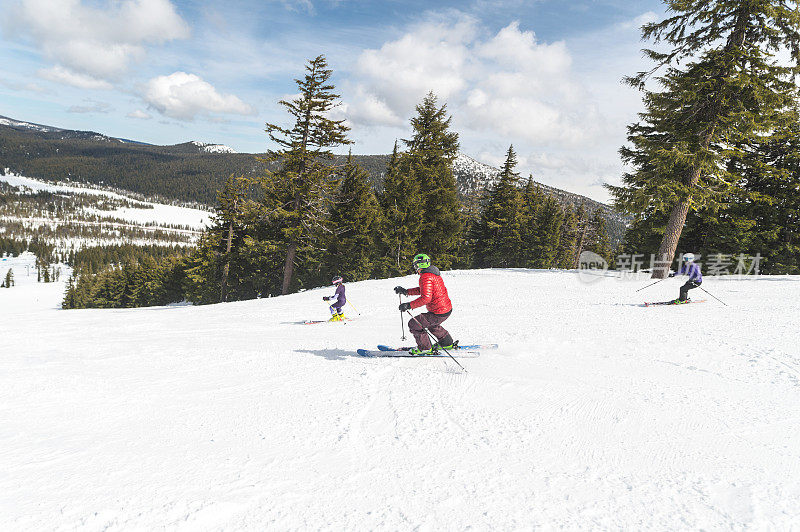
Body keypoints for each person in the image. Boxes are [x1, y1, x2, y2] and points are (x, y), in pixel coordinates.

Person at [394, 253, 455, 355]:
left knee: (414, 324)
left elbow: (426, 298)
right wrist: (406, 291)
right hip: (444, 309)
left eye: (415, 265)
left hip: (439, 311)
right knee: (431, 324)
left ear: (419, 265)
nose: (414, 267)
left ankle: (425, 348)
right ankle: (446, 342)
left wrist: (409, 305)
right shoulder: (432, 274)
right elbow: (424, 290)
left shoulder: (426, 277)